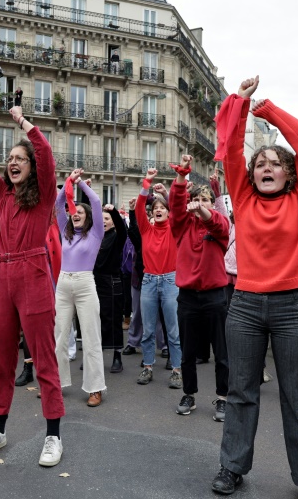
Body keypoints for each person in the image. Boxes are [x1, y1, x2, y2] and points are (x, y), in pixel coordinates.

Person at [211, 76, 298, 498]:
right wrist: (240, 102)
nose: (266, 168)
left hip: (296, 307)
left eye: (276, 162)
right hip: (245, 306)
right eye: (261, 163)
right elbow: (232, 147)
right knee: (241, 392)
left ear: (290, 173)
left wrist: (268, 109)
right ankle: (232, 468)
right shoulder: (242, 198)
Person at [0, 87, 65, 467]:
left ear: (31, 165)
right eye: (10, 158)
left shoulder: (42, 196)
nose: (12, 162)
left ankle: (53, 436)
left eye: (20, 158)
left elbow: (47, 154)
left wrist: (21, 120)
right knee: (3, 359)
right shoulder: (1, 194)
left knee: (43, 359)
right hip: (2, 276)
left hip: (35, 274)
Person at [169, 155, 230, 421]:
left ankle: (223, 398)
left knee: (222, 351)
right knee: (188, 351)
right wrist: (182, 177)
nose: (201, 203)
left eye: (206, 200)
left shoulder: (220, 226)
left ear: (212, 203)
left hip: (216, 296)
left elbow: (216, 222)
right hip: (188, 297)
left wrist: (204, 211)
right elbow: (175, 203)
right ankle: (189, 394)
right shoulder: (181, 226)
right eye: (198, 199)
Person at [53, 168, 105, 406]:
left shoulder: (96, 233)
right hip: (63, 284)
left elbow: (95, 200)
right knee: (60, 336)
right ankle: (56, 383)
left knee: (91, 336)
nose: (75, 213)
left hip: (85, 284)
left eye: (80, 212)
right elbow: (58, 203)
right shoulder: (66, 232)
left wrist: (81, 183)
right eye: (74, 211)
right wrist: (68, 183)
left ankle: (95, 388)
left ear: (88, 217)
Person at [134, 170, 183, 389]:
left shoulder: (174, 228)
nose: (159, 210)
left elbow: (180, 209)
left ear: (168, 212)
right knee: (148, 330)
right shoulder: (146, 229)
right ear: (152, 213)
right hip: (149, 281)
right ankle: (148, 366)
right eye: (156, 208)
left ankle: (176, 370)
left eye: (163, 208)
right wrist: (147, 184)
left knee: (173, 330)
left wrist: (167, 194)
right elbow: (138, 208)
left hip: (171, 281)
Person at [94, 200, 128, 375]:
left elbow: (124, 230)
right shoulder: (94, 236)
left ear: (113, 221)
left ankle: (117, 357)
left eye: (107, 219)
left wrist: (113, 211)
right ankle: (95, 357)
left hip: (112, 282)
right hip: (94, 282)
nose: (104, 221)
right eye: (102, 219)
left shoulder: (117, 236)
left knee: (114, 319)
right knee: (95, 320)